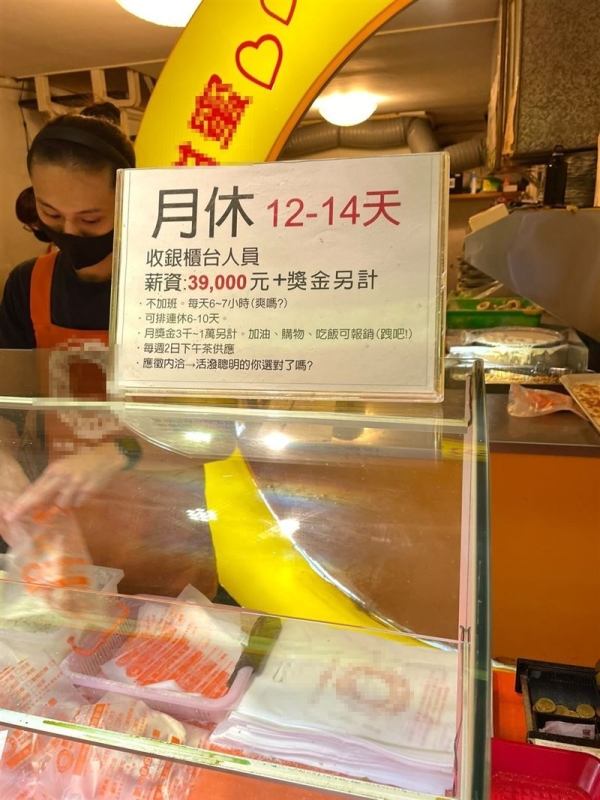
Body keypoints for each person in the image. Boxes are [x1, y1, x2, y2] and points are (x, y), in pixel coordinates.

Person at [0, 104, 236, 597]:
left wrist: (118, 452)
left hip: (163, 532)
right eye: (50, 214)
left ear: (128, 201)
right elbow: (9, 408)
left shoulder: (180, 285)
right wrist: (3, 462)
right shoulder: (29, 284)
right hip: (62, 537)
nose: (70, 232)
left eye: (91, 218)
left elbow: (214, 430)